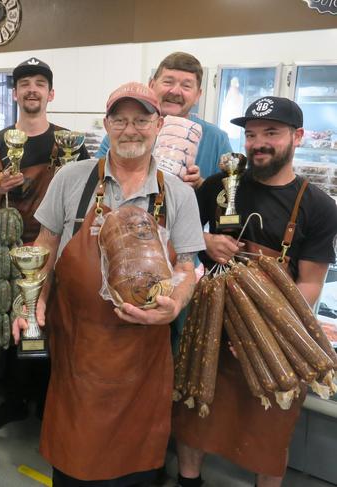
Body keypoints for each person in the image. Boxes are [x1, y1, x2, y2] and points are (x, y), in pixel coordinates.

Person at [14, 82, 205, 486]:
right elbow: (45, 243)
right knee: (73, 467)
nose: (130, 129)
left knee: (133, 473)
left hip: (143, 357)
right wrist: (30, 301)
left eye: (141, 119)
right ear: (106, 125)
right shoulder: (72, 179)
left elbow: (188, 265)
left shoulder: (179, 195)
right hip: (78, 353)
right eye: (120, 119)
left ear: (158, 125)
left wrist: (176, 303)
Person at [173, 96, 337, 487]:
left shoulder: (318, 205)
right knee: (195, 411)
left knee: (272, 425)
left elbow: (311, 281)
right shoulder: (217, 185)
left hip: (272, 333)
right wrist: (205, 241)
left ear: (296, 137)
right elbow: (179, 241)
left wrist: (270, 335)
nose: (258, 142)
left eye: (271, 133)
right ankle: (188, 481)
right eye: (251, 134)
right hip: (210, 323)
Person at [0, 57, 89, 433]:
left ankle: (48, 402)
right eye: (25, 83)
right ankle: (13, 401)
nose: (32, 89)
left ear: (50, 93)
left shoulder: (70, 143)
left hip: (55, 250)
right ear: (15, 93)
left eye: (39, 82)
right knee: (11, 320)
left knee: (51, 322)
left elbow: (86, 201)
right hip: (9, 248)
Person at [96, 52, 232, 183]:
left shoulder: (217, 139)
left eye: (186, 86)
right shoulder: (125, 133)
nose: (175, 91)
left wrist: (201, 185)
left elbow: (228, 195)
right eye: (168, 82)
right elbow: (97, 178)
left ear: (198, 95)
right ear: (151, 85)